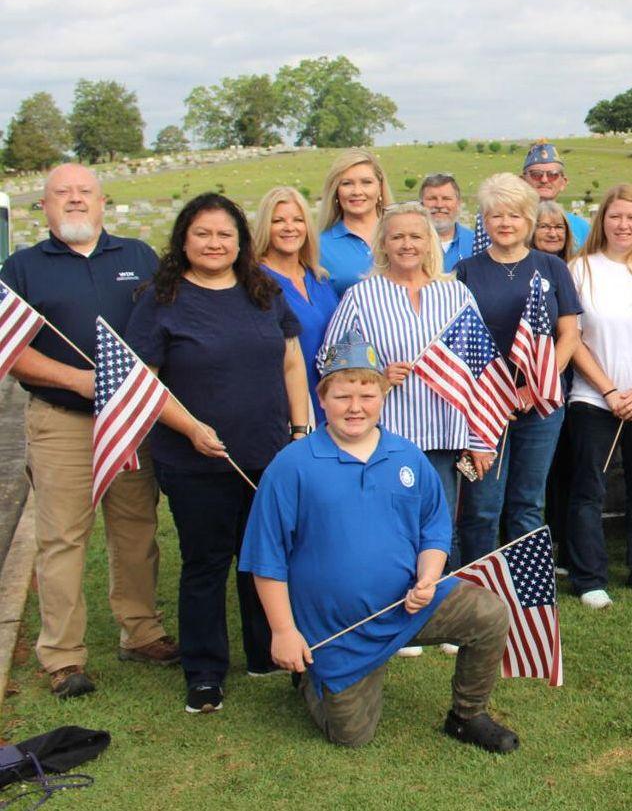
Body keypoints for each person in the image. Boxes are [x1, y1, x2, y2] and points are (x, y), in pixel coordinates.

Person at [239, 331, 518, 754]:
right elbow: (267, 558)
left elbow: (434, 529)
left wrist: (428, 577)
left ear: (384, 396)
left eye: (367, 394)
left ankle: (467, 716)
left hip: (408, 606)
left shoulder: (407, 456)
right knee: (351, 736)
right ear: (322, 398)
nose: (356, 407)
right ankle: (312, 675)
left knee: (489, 613)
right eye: (342, 395)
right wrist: (283, 632)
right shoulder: (291, 466)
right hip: (339, 630)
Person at [125, 192, 309, 714]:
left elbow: (291, 361)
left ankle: (264, 651)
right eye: (203, 233)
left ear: (240, 241)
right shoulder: (161, 299)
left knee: (265, 558)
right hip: (195, 459)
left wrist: (298, 430)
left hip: (267, 453)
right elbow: (144, 383)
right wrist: (190, 429)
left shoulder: (264, 290)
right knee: (206, 562)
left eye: (225, 234)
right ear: (184, 239)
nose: (214, 243)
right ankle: (205, 671)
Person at [0, 164, 178, 700]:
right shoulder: (23, 267)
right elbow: (11, 349)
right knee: (62, 538)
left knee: (135, 528)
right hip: (62, 423)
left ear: (103, 202)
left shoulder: (139, 257)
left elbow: (167, 320)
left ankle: (140, 630)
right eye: (62, 194)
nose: (74, 200)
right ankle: (62, 655)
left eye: (84, 192)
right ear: (45, 207)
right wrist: (77, 380)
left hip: (130, 421)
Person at [318, 202, 494, 574]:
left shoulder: (456, 295)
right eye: (397, 236)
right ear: (383, 244)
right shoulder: (362, 296)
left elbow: (480, 369)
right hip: (387, 437)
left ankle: (444, 609)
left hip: (444, 436)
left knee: (441, 529)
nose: (407, 244)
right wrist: (376, 374)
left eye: (415, 236)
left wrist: (479, 437)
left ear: (430, 242)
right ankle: (391, 610)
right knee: (389, 528)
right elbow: (329, 362)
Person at [456, 174, 581, 566]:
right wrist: (497, 397)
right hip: (485, 407)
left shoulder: (552, 268)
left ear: (528, 219)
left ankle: (528, 593)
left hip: (541, 405)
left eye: (514, 214)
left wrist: (535, 388)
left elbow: (570, 334)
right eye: (495, 215)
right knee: (482, 505)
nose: (505, 222)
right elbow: (458, 343)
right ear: (485, 221)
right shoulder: (465, 271)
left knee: (527, 502)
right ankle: (481, 592)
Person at [565, 185, 632, 609]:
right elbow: (571, 337)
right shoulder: (579, 269)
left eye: (631, 218)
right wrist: (608, 389)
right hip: (593, 397)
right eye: (616, 216)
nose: (624, 225)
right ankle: (589, 577)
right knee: (587, 488)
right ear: (601, 221)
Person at [254, 186, 338, 424]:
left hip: (333, 401)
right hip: (289, 405)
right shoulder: (256, 281)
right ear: (265, 227)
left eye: (298, 220)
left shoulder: (319, 277)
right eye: (278, 220)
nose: (289, 227)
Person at [532, 201, 574, 571]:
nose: (551, 232)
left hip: (568, 381)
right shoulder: (528, 270)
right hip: (537, 386)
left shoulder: (569, 268)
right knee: (536, 477)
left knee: (565, 468)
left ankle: (560, 539)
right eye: (543, 225)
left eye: (558, 226)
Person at [318, 149, 394, 297]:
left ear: (380, 188)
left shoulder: (402, 236)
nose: (357, 191)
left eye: (366, 182)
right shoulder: (319, 246)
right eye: (347, 184)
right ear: (336, 191)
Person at [522, 140, 590, 249]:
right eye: (536, 174)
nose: (544, 180)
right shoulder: (511, 224)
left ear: (564, 182)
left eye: (552, 174)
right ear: (523, 181)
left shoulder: (582, 227)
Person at [419, 173, 474, 271]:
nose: (439, 205)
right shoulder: (410, 245)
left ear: (458, 203)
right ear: (421, 204)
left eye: (446, 198)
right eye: (432, 199)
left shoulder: (475, 242)